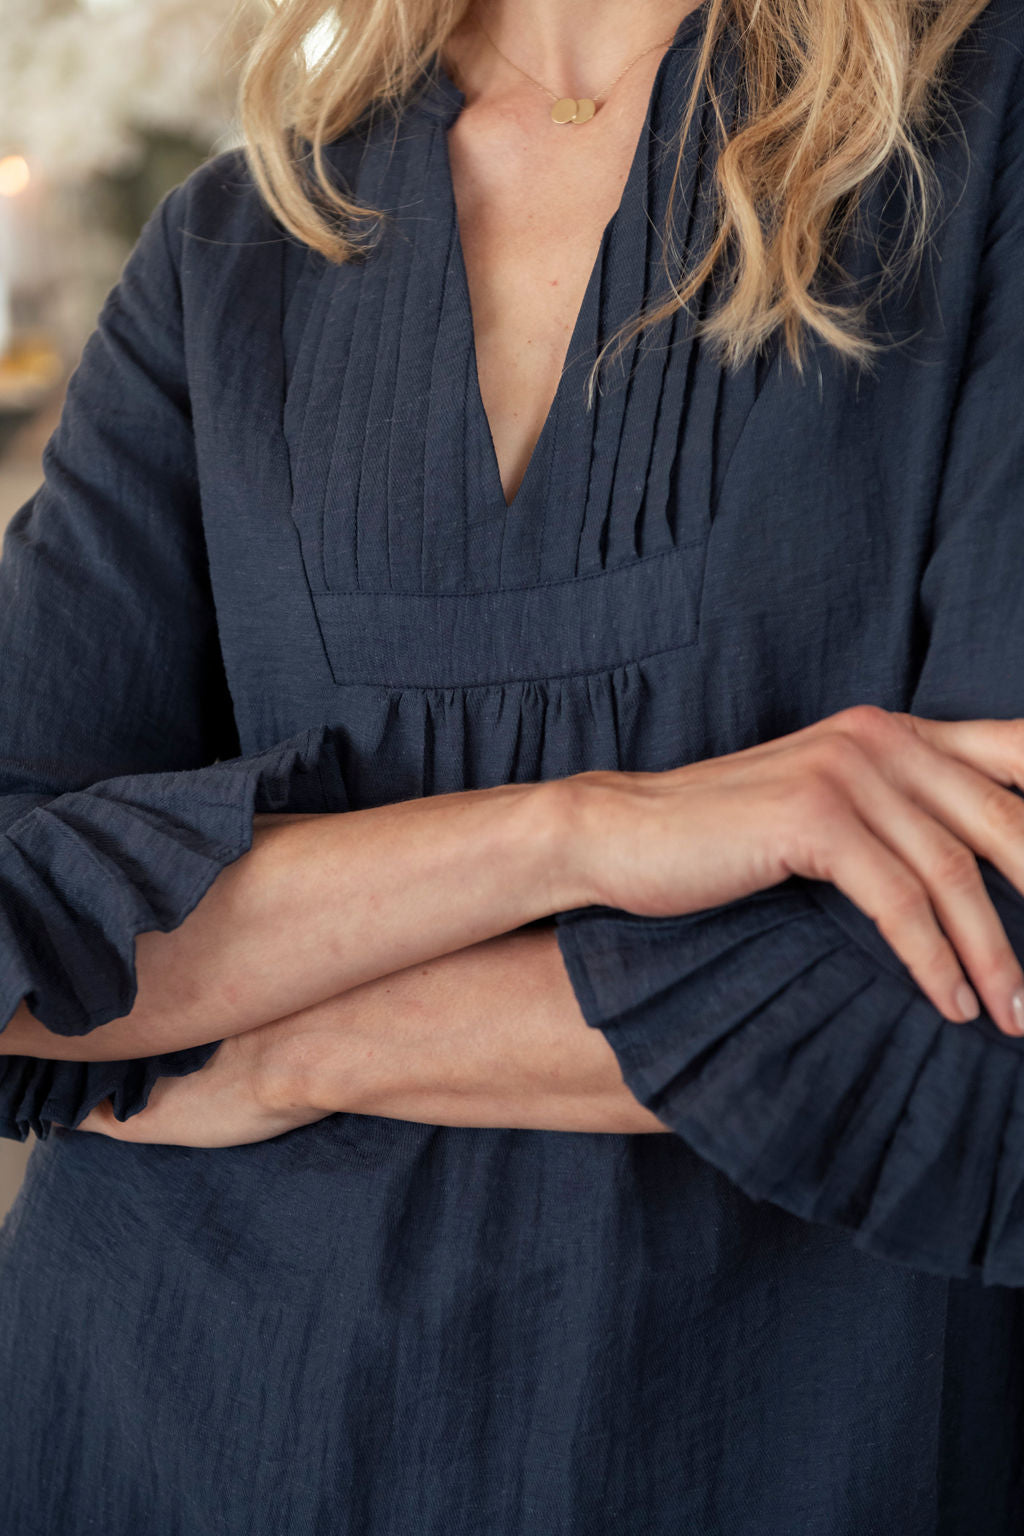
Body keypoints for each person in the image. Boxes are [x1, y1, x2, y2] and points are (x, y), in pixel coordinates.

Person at [1, 0, 1023, 1528]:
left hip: (786, 1442)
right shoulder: (240, 241)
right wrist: (583, 831)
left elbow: (983, 992)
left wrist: (274, 1049)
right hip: (177, 1434)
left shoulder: (984, 124)